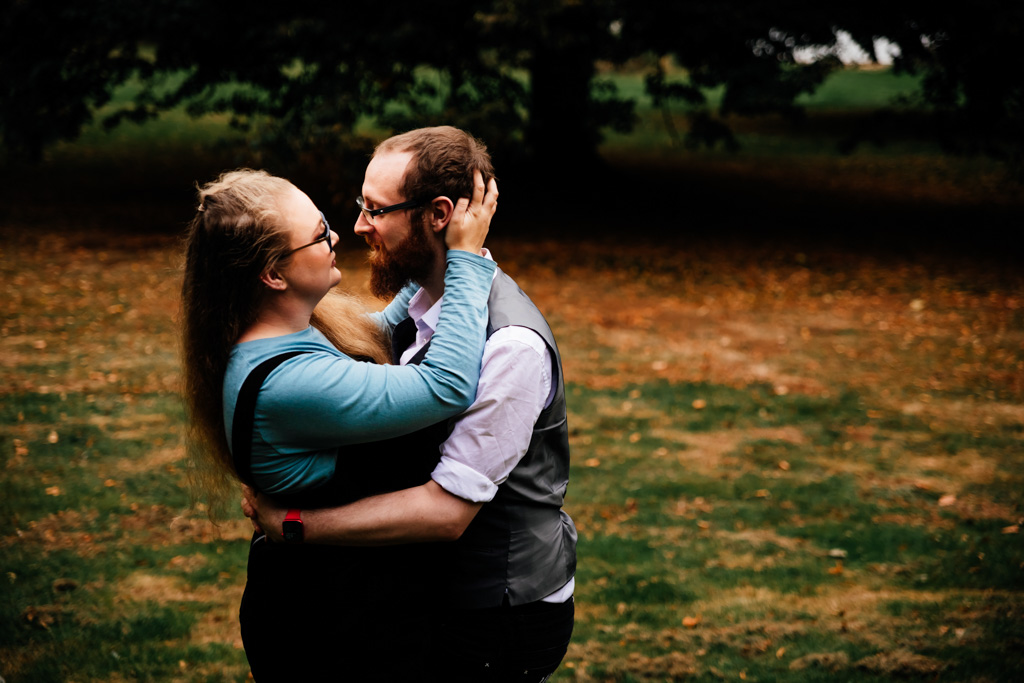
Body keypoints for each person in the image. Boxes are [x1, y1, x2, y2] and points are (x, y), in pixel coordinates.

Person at [243, 126, 577, 682]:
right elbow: (349, 360)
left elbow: (447, 513)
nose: (358, 226)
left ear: (439, 214)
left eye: (375, 209)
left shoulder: (511, 345)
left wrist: (296, 524)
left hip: (497, 614)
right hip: (430, 597)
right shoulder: (423, 299)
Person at [180, 166, 498, 681]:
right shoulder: (293, 384)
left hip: (348, 609)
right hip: (327, 632)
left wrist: (432, 248)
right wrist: (465, 259)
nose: (336, 236)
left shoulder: (286, 334)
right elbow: (445, 384)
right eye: (317, 234)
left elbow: (382, 330)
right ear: (273, 274)